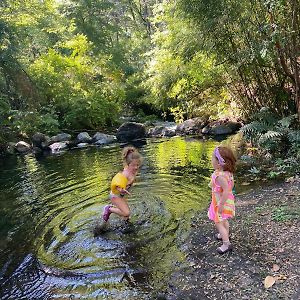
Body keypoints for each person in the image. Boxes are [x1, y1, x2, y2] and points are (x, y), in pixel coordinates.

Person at [208, 146, 236, 254]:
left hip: (221, 202)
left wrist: (220, 204)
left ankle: (226, 244)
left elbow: (226, 190)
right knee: (223, 219)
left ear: (219, 163)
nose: (211, 160)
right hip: (226, 200)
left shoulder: (219, 176)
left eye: (213, 159)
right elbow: (231, 185)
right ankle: (223, 235)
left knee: (218, 221)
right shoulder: (227, 172)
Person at [102, 146, 142, 223]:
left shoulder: (133, 170)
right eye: (134, 165)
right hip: (116, 195)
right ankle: (109, 209)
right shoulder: (125, 173)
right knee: (127, 212)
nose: (136, 167)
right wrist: (120, 189)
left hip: (121, 195)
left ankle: (125, 224)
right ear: (128, 164)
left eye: (138, 164)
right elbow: (118, 181)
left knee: (126, 216)